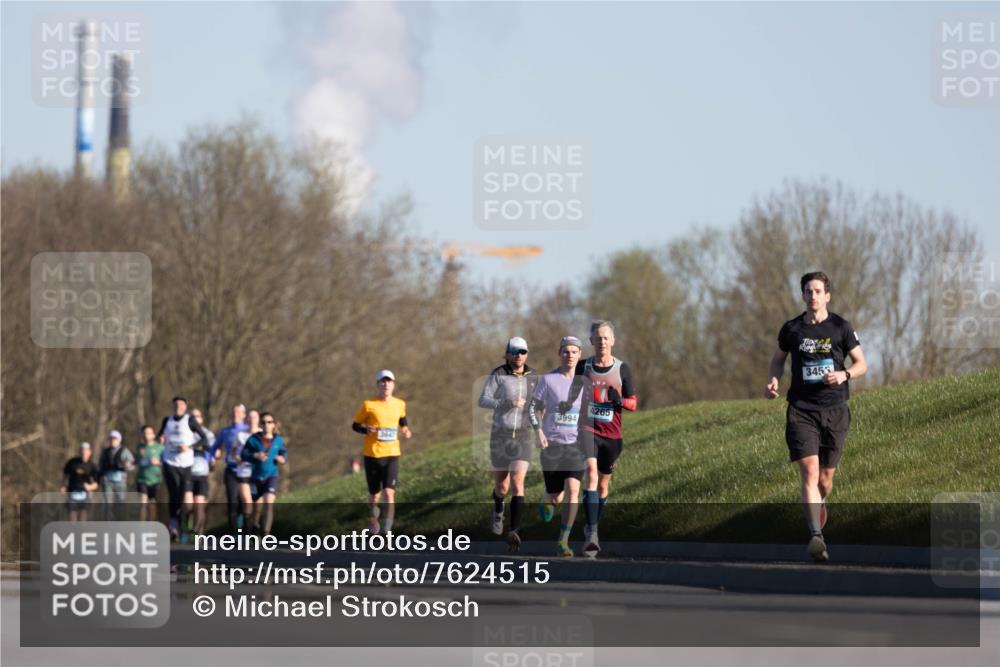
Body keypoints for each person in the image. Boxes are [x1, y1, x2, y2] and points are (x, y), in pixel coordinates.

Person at [765, 271, 867, 562]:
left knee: (825, 480)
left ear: (827, 296)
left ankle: (820, 507)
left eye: (818, 291)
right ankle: (816, 536)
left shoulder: (841, 327)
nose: (813, 296)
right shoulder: (792, 329)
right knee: (809, 472)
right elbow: (777, 360)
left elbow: (862, 364)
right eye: (808, 291)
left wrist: (844, 374)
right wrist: (773, 380)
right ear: (803, 296)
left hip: (835, 409)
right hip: (801, 409)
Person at [572, 320, 638, 558]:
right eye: (597, 338)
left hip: (613, 435)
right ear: (591, 341)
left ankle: (593, 525)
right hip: (588, 430)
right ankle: (592, 535)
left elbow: (633, 403)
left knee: (603, 485)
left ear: (613, 341)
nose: (601, 342)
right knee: (590, 472)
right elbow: (571, 398)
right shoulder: (583, 367)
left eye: (605, 338)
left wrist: (618, 400)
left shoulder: (622, 369)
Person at [528, 336, 590, 558]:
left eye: (574, 352)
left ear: (579, 354)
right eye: (566, 352)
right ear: (559, 353)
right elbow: (532, 408)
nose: (570, 355)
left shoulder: (584, 382)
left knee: (574, 490)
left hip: (575, 446)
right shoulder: (548, 380)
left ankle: (563, 540)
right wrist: (539, 431)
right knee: (556, 497)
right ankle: (548, 496)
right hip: (551, 444)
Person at [478, 336, 537, 552]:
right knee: (502, 487)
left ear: (527, 354)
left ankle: (515, 531)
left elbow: (539, 402)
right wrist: (507, 402)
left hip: (522, 436)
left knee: (518, 483)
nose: (518, 355)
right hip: (500, 436)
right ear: (508, 354)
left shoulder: (533, 377)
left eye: (522, 351)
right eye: (514, 352)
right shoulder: (499, 374)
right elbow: (484, 399)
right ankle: (498, 505)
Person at [352, 370, 411, 535]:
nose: (386, 384)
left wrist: (405, 429)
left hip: (392, 453)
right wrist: (366, 429)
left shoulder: (400, 404)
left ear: (393, 384)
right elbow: (355, 425)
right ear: (378, 385)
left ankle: (387, 529)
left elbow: (402, 418)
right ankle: (373, 517)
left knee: (389, 492)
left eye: (389, 381)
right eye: (382, 382)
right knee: (374, 495)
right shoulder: (368, 405)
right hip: (372, 454)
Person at [156, 396, 212, 541]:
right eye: (175, 404)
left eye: (181, 405)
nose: (178, 407)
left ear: (185, 407)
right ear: (172, 406)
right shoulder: (166, 420)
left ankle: (182, 527)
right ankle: (173, 525)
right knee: (174, 493)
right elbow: (159, 436)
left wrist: (189, 447)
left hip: (186, 464)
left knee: (182, 497)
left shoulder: (190, 421)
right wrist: (161, 439)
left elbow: (204, 439)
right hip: (170, 462)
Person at [240, 411, 287, 536]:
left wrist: (282, 458)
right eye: (264, 422)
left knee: (268, 502)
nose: (266, 424)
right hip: (255, 477)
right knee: (254, 508)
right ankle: (252, 527)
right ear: (261, 424)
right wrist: (255, 455)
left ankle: (266, 534)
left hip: (271, 475)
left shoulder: (278, 440)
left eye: (269, 422)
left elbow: (284, 453)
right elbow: (243, 454)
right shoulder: (253, 439)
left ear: (274, 424)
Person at [213, 403, 249, 533]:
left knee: (244, 500)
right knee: (232, 499)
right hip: (231, 469)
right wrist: (211, 456)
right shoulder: (225, 431)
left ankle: (245, 530)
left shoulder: (248, 429)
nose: (235, 415)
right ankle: (233, 533)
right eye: (233, 412)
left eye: (238, 412)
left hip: (246, 470)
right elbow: (214, 447)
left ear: (244, 415)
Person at [189, 408, 216, 535]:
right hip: (186, 473)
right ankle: (186, 526)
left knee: (199, 503)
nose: (195, 419)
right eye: (192, 416)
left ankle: (199, 531)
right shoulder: (185, 433)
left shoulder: (208, 434)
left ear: (202, 419)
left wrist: (213, 458)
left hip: (202, 473)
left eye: (197, 416)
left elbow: (213, 451)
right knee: (188, 505)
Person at [98, 430, 135, 517]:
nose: (112, 441)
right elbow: (100, 465)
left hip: (120, 482)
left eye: (115, 439)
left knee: (120, 502)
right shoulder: (105, 451)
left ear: (119, 440)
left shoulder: (125, 451)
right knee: (107, 504)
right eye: (111, 439)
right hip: (107, 481)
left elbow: (132, 465)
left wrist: (127, 465)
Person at [61, 442, 99, 521]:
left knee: (82, 521)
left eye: (85, 451)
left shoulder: (92, 466)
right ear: (79, 451)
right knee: (72, 520)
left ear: (89, 452)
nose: (83, 453)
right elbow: (65, 475)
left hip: (85, 495)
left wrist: (90, 487)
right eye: (82, 450)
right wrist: (63, 485)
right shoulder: (72, 462)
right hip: (72, 493)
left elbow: (97, 483)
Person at [134, 425, 163, 522]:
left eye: (149, 433)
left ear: (154, 435)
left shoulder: (160, 448)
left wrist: (158, 462)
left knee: (152, 504)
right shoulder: (139, 448)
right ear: (142, 434)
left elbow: (167, 463)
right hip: (142, 479)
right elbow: (135, 461)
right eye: (145, 433)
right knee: (143, 502)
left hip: (155, 480)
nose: (147, 435)